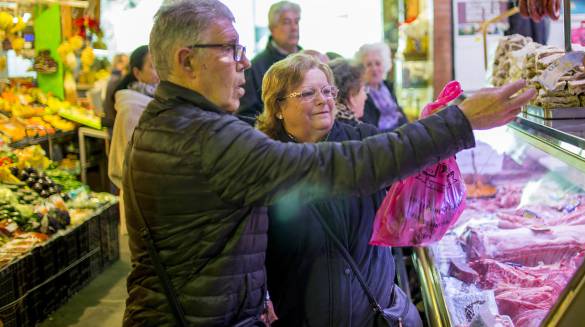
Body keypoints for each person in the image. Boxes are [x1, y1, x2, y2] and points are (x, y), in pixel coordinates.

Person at [123, 0, 534, 326]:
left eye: (328, 92)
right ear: (186, 61)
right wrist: (458, 121)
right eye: (230, 49)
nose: (244, 61)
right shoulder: (204, 138)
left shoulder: (171, 122)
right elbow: (335, 167)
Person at [257, 53, 421, 326]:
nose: (324, 100)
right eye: (308, 93)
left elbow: (411, 191)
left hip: (374, 314)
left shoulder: (363, 140)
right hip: (302, 318)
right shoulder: (265, 162)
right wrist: (262, 297)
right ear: (278, 107)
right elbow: (250, 245)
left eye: (327, 90)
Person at [237, 1, 302, 119]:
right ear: (272, 28)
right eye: (287, 22)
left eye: (296, 21)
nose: (294, 28)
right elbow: (246, 115)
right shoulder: (255, 67)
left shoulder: (309, 62)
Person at [108, 45, 159, 190]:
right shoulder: (131, 108)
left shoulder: (161, 100)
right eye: (153, 67)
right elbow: (132, 166)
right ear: (137, 72)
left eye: (161, 65)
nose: (159, 73)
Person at [355, 42, 408, 131]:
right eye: (369, 65)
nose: (374, 68)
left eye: (378, 63)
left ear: (385, 65)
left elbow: (401, 116)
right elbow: (369, 127)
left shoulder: (388, 87)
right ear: (361, 69)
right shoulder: (360, 93)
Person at [328, 58, 367, 123]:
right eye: (364, 90)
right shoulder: (359, 131)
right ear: (351, 94)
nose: (366, 97)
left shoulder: (322, 123)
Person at [102, 53, 130, 131]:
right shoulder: (117, 80)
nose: (127, 66)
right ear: (117, 63)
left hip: (111, 121)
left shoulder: (113, 78)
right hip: (114, 125)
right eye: (125, 63)